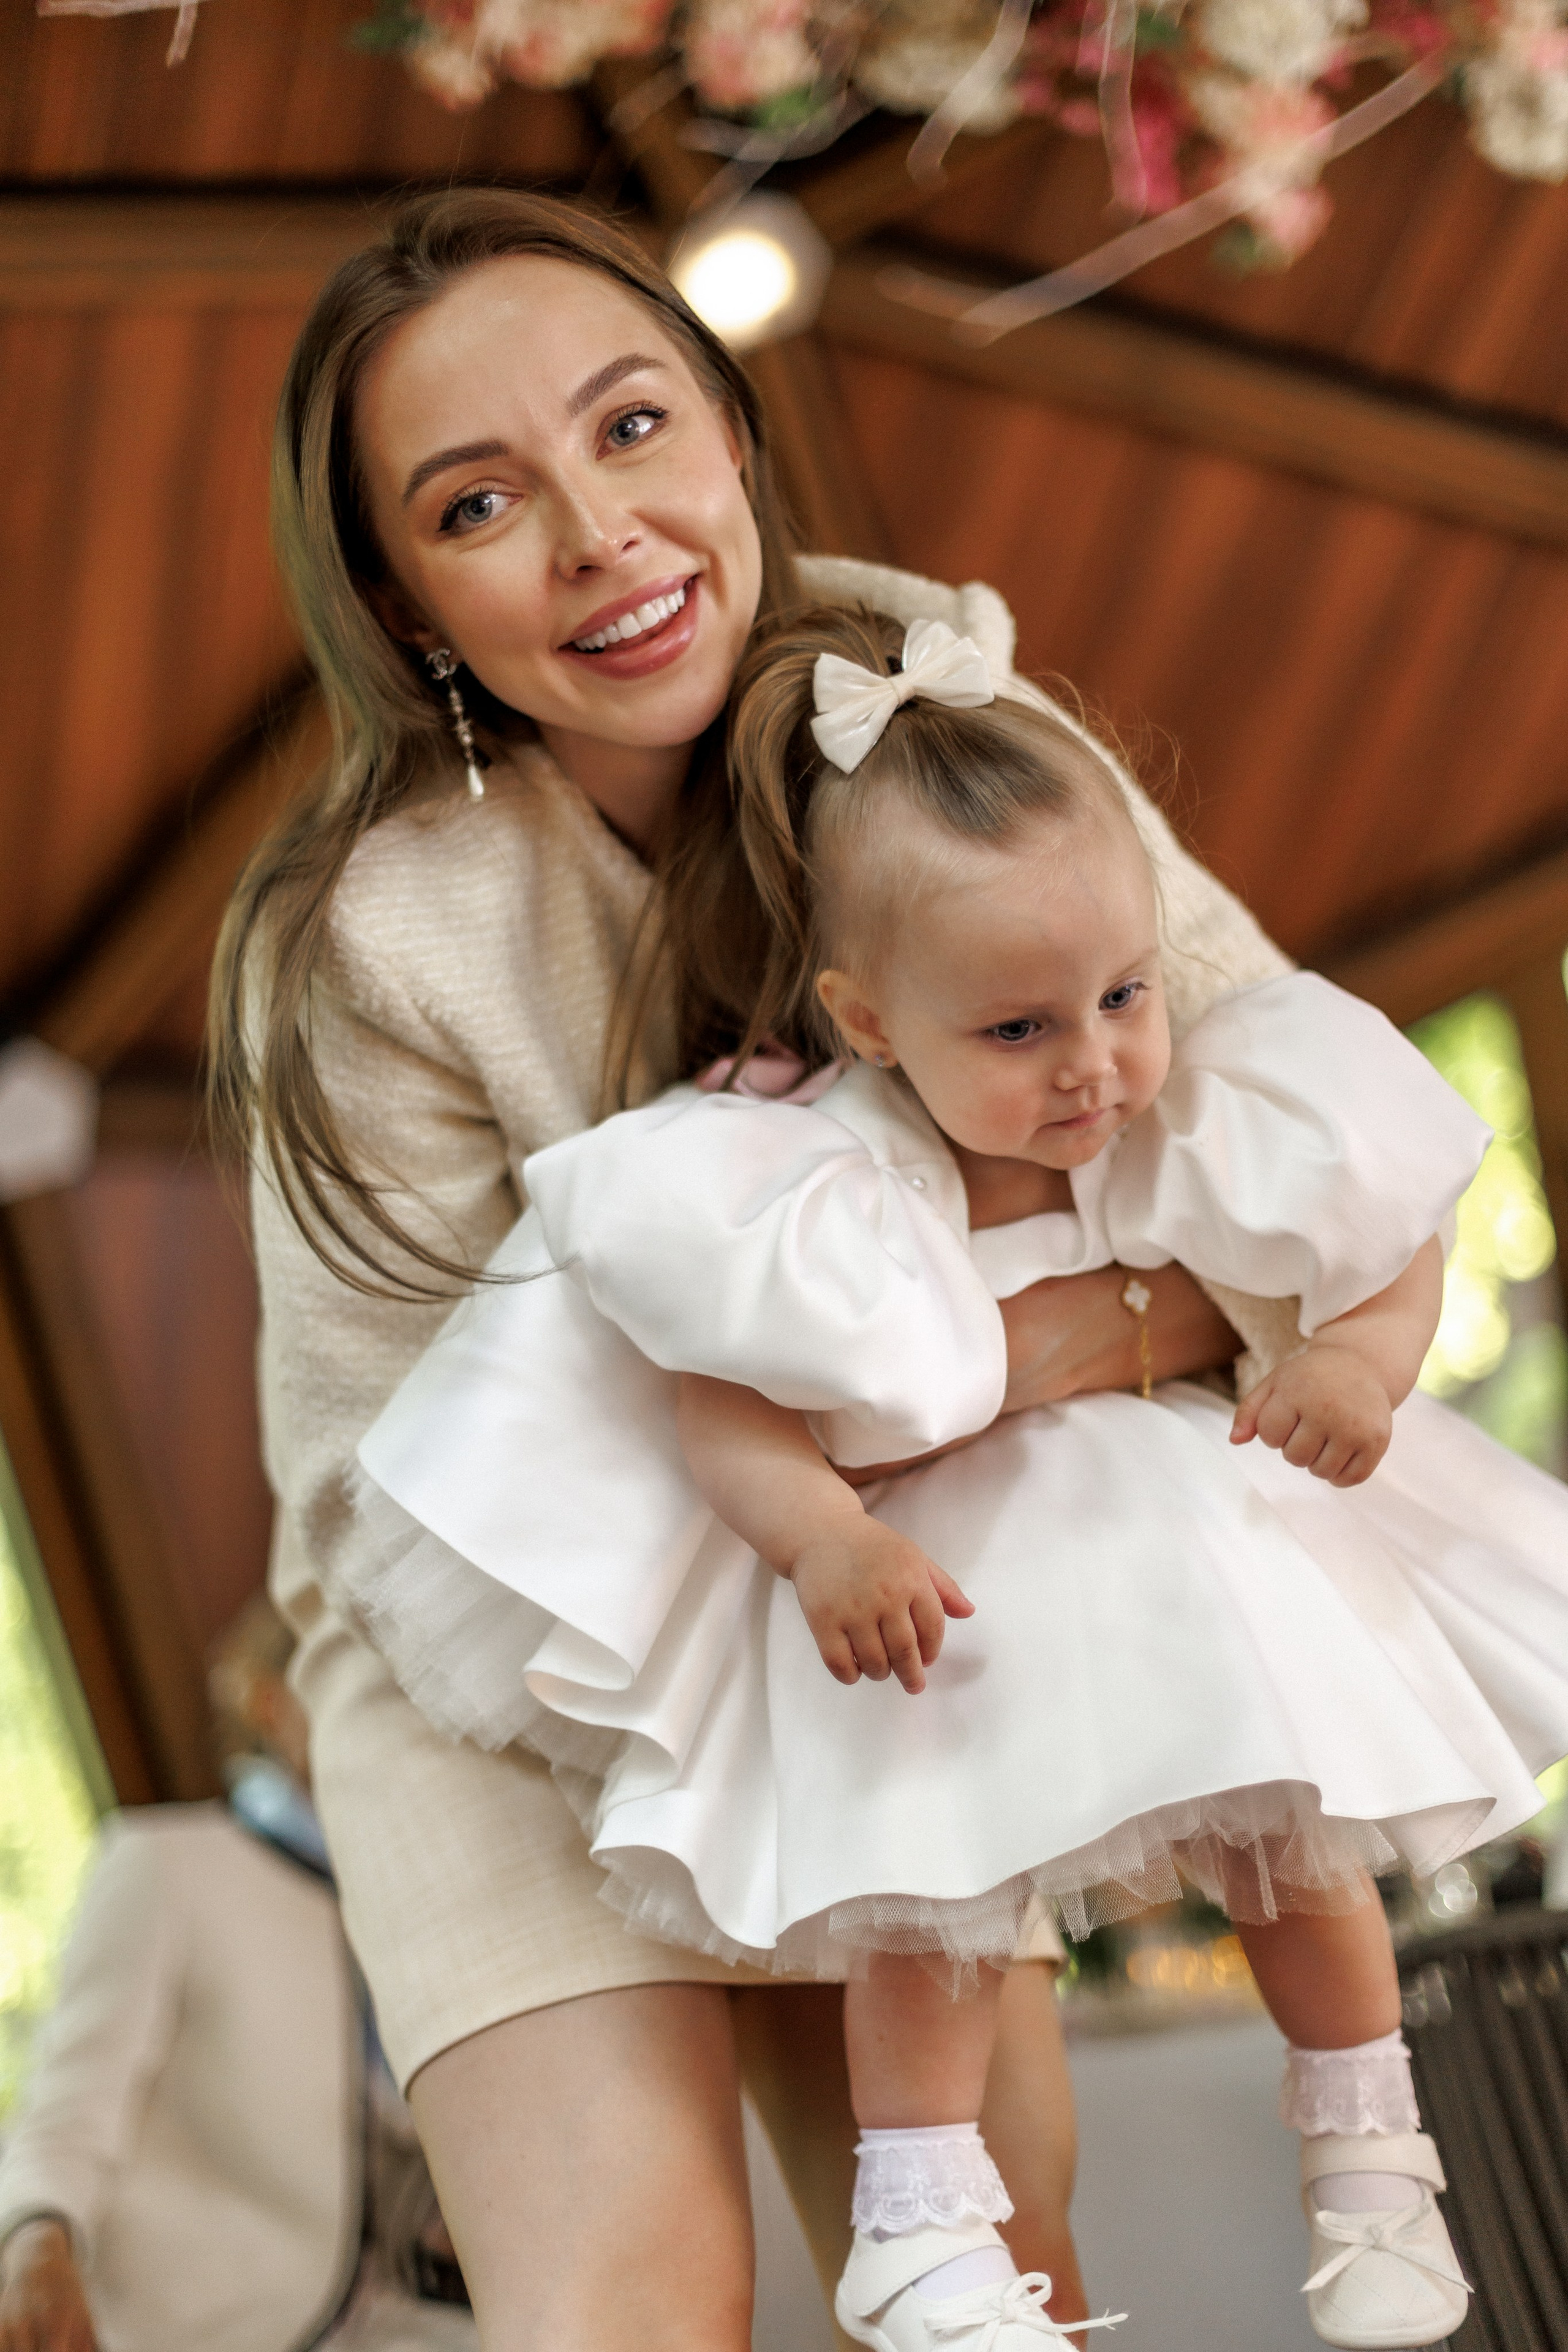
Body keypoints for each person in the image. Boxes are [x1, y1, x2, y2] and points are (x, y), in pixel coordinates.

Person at [209, 187, 1317, 2352]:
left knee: (990, 2293)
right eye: (478, 503)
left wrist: (924, 1404)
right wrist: (1031, 1353)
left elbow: (1293, 1183)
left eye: (633, 429)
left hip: (876, 1609)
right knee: (636, 2306)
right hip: (500, 1685)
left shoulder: (968, 744)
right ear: (402, 598)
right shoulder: (377, 947)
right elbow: (393, 1496)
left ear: (729, 430)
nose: (601, 533)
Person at [349, 604, 1568, 2349]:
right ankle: (919, 2226)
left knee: (1296, 1841)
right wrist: (826, 1537)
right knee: (930, 1903)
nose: (1094, 1065)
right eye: (1018, 1031)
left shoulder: (1198, 1103)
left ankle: (1374, 2156)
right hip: (959, 1601)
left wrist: (1356, 1363)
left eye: (1125, 996)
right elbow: (727, 1408)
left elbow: (1384, 1232)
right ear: (868, 1018)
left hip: (1188, 1543)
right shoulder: (814, 1175)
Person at [0, 1598, 473, 2352]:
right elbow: (66, 2109)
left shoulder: (414, 1906)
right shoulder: (166, 1863)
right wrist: (35, 2242)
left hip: (390, 2321)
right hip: (182, 2333)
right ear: (268, 1701)